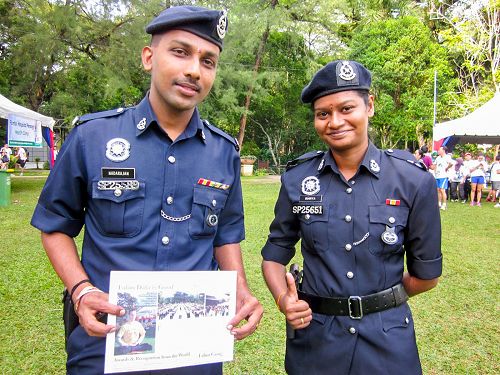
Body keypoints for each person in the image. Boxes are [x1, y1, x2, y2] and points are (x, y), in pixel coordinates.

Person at [31, 6, 263, 374]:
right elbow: (55, 224)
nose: (194, 70)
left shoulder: (223, 152)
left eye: (208, 61)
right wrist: (81, 290)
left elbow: (225, 236)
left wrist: (241, 290)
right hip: (105, 339)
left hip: (194, 347)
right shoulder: (94, 137)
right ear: (148, 57)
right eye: (180, 52)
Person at [261, 60, 442, 375]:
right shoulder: (297, 179)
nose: (335, 121)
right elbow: (274, 254)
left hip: (387, 341)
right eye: (323, 114)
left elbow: (426, 276)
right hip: (316, 341)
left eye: (346, 109)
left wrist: (380, 300)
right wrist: (282, 299)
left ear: (369, 106)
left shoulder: (412, 181)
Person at [433, 145, 453, 210]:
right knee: (438, 190)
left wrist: (447, 168)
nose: (438, 151)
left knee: (442, 190)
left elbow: (451, 164)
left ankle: (444, 204)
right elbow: (435, 165)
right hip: (437, 176)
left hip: (443, 176)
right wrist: (435, 172)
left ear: (443, 150)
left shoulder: (447, 157)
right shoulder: (438, 158)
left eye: (439, 150)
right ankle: (439, 203)